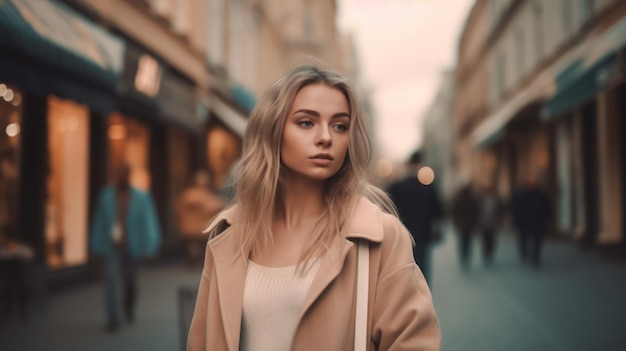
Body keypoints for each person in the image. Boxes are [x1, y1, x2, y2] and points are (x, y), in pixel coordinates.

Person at [187, 65, 440, 350]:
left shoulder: (378, 236)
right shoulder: (229, 235)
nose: (326, 137)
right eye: (306, 122)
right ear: (273, 131)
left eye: (339, 126)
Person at [90, 163, 161, 332]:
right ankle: (113, 318)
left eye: (124, 174)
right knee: (111, 278)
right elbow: (99, 220)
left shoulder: (140, 197)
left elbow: (148, 221)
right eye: (119, 173)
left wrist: (150, 242)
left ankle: (128, 307)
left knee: (130, 280)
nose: (121, 177)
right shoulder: (106, 196)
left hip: (132, 245)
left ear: (128, 176)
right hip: (113, 245)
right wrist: (96, 242)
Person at [387, 150, 444, 283]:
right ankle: (423, 296)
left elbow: (387, 207)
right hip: (423, 233)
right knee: (423, 266)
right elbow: (439, 211)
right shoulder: (428, 188)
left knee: (404, 265)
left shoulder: (397, 186)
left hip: (403, 233)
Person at [176, 170, 225, 266]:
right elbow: (212, 207)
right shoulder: (191, 195)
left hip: (199, 228)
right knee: (196, 247)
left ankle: (196, 261)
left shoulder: (204, 194)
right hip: (195, 229)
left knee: (199, 247)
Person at [511, 171, 551, 269]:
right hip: (524, 221)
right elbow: (515, 208)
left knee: (537, 239)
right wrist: (515, 219)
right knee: (523, 239)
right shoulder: (520, 195)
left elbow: (546, 207)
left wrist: (546, 218)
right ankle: (525, 253)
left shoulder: (541, 195)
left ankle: (535, 256)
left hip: (537, 220)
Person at [449, 178, 480, 269]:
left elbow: (475, 212)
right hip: (465, 224)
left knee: (465, 241)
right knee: (465, 241)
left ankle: (465, 255)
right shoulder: (463, 199)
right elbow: (455, 211)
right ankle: (464, 256)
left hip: (466, 224)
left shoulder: (470, 199)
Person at [478, 182, 505, 267]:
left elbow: (500, 211)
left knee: (492, 240)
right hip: (484, 223)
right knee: (485, 240)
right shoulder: (481, 199)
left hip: (493, 223)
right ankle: (486, 254)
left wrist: (500, 220)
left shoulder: (496, 199)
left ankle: (490, 254)